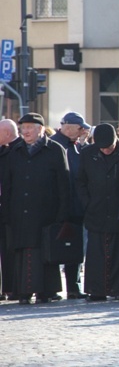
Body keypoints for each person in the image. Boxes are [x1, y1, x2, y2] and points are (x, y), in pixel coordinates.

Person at [1, 113, 70, 304]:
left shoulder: (55, 149)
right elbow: (7, 185)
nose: (25, 131)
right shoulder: (14, 151)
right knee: (23, 252)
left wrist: (63, 213)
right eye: (23, 127)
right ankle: (24, 291)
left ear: (40, 129)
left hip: (46, 213)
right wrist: (6, 213)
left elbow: (64, 184)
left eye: (30, 127)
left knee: (44, 253)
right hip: (19, 212)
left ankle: (45, 291)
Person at [76, 124, 119, 301]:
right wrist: (87, 203)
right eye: (102, 148)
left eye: (109, 147)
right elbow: (81, 181)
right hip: (96, 210)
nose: (106, 151)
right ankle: (96, 290)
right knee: (96, 254)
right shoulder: (88, 153)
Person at [51, 111, 91, 300]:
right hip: (57, 207)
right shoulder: (54, 145)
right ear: (67, 128)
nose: (82, 131)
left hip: (75, 207)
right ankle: (51, 288)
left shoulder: (76, 146)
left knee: (74, 249)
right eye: (80, 128)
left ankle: (73, 288)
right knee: (53, 248)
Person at [0, 120, 23, 300]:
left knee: (11, 251)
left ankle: (12, 288)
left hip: (15, 210)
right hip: (6, 208)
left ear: (7, 133)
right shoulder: (5, 149)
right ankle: (7, 287)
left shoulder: (18, 151)